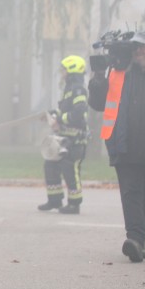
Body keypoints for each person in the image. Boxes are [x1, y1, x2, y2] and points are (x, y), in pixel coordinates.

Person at [88, 30, 145, 262]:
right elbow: (97, 103)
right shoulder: (120, 73)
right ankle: (134, 239)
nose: (141, 51)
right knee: (131, 192)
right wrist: (98, 77)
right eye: (137, 47)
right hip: (124, 144)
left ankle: (140, 237)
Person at [38, 55, 89, 214]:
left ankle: (74, 204)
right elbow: (66, 111)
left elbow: (78, 113)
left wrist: (59, 118)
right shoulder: (69, 89)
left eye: (64, 70)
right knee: (50, 165)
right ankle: (54, 200)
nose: (62, 73)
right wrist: (53, 113)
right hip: (64, 139)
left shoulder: (78, 89)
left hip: (76, 140)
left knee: (70, 169)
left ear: (72, 70)